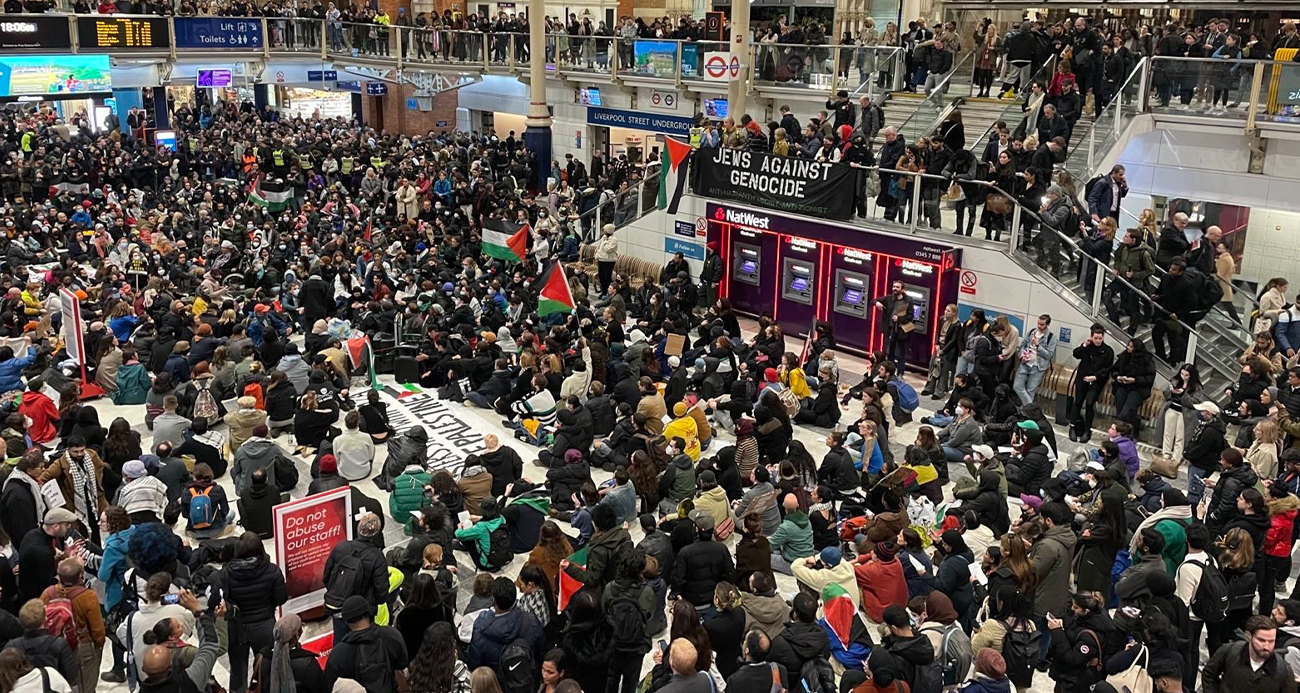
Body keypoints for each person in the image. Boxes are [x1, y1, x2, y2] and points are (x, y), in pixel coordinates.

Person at [222, 532, 289, 693]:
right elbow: (281, 598)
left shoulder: (226, 573)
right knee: (266, 669)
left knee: (237, 671)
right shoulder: (272, 571)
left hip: (236, 628)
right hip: (265, 625)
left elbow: (224, 601)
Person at [323, 514, 390, 646]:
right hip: (362, 612)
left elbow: (326, 576)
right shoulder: (377, 558)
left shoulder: (341, 547)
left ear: (358, 528)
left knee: (341, 643)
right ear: (376, 534)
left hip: (339, 605)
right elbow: (382, 594)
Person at [323, 596, 410, 693]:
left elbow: (330, 684)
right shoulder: (391, 635)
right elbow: (402, 662)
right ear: (369, 613)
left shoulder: (338, 654)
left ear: (346, 621)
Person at [1200, 615, 1296, 693]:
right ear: (1249, 636)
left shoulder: (1283, 670)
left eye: (1271, 641)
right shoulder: (1230, 651)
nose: (1267, 646)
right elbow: (1209, 675)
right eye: (1261, 640)